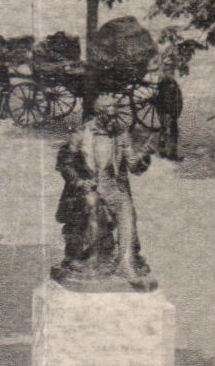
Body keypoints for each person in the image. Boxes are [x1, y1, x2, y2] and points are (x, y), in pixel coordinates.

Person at [54, 96, 156, 289]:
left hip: (113, 187)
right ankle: (91, 259)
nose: (113, 122)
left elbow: (133, 166)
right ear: (99, 114)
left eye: (115, 116)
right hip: (90, 187)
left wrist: (145, 154)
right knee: (92, 206)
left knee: (127, 213)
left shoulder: (120, 133)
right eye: (109, 116)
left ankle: (125, 263)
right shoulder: (83, 133)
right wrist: (80, 182)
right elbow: (64, 163)